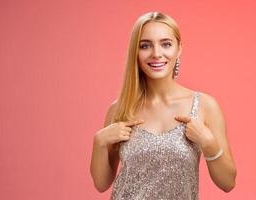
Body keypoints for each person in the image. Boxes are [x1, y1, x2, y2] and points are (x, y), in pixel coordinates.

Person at [90, 12, 236, 199]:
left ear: (179, 49)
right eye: (145, 46)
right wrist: (100, 141)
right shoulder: (121, 108)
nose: (156, 54)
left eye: (166, 44)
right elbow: (101, 184)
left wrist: (209, 144)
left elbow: (228, 183)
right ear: (135, 51)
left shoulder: (204, 106)